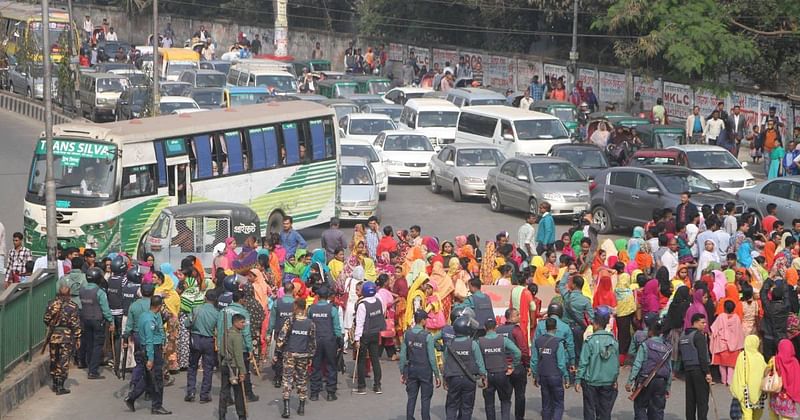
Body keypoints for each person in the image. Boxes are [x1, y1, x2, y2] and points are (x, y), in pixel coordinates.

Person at [125, 295, 171, 415]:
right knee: (157, 380)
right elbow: (149, 340)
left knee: (148, 378)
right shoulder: (149, 320)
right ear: (159, 306)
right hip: (151, 349)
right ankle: (157, 406)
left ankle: (132, 397)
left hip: (152, 347)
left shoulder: (148, 315)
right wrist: (150, 359)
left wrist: (163, 342)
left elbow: (159, 330)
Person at [575, 306, 619, 420]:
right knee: (605, 411)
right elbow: (616, 364)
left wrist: (578, 380)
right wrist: (615, 379)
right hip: (608, 381)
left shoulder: (590, 341)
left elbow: (583, 362)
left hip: (591, 382)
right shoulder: (614, 342)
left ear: (596, 324)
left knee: (589, 409)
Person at [276, 299, 316, 418]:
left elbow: (281, 338)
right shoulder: (310, 323)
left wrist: (278, 350)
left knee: (287, 380)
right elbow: (312, 342)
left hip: (290, 354)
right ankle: (301, 407)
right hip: (303, 355)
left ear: (296, 306)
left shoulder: (290, 321)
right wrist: (311, 356)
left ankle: (287, 409)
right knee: (302, 380)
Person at [218, 287, 259, 402]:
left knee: (227, 374)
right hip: (240, 345)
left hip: (225, 345)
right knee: (243, 370)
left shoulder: (223, 311)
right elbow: (246, 332)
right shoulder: (243, 313)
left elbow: (220, 329)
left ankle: (227, 398)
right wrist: (250, 348)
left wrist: (220, 345)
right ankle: (247, 394)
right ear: (241, 300)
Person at [626, 320, 672, 420]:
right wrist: (668, 387)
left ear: (650, 332)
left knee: (640, 407)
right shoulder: (667, 347)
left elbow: (637, 364)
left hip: (645, 381)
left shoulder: (645, 345)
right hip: (661, 382)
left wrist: (630, 381)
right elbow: (669, 369)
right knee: (657, 410)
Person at [399, 309, 441, 420]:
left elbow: (403, 355)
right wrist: (437, 375)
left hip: (411, 369)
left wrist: (402, 372)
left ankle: (409, 417)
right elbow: (432, 358)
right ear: (422, 321)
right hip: (425, 371)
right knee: (425, 399)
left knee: (411, 397)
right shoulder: (427, 336)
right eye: (426, 319)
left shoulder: (407, 334)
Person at [444, 315, 487, 420]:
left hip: (453, 379)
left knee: (451, 406)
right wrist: (483, 376)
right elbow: (480, 363)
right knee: (467, 407)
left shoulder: (449, 344)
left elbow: (446, 363)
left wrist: (445, 379)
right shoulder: (473, 344)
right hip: (469, 379)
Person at [44, 280, 82, 395]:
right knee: (63, 360)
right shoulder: (72, 306)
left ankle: (55, 383)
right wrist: (78, 337)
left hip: (53, 336)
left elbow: (46, 319)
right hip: (66, 336)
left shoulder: (51, 304)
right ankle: (60, 385)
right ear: (69, 294)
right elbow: (75, 324)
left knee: (54, 359)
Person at [479, 319, 521, 420]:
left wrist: (482, 373)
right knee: (505, 401)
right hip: (502, 374)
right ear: (496, 327)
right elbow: (518, 353)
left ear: (485, 328)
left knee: (489, 404)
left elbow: (477, 359)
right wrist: (513, 366)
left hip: (488, 374)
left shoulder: (479, 341)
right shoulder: (503, 340)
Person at [308, 286, 342, 401]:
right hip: (329, 340)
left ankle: (314, 393)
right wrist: (340, 341)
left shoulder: (311, 309)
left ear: (317, 296)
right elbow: (337, 328)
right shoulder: (332, 309)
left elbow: (309, 324)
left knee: (315, 366)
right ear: (328, 296)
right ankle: (331, 393)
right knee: (331, 366)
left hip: (315, 340)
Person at [531, 317, 569, 420]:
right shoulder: (558, 342)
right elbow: (561, 363)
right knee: (558, 404)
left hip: (543, 375)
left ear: (545, 327)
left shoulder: (538, 341)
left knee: (546, 405)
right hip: (555, 375)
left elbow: (534, 360)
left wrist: (535, 375)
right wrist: (566, 377)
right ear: (555, 328)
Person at [185, 290, 219, 403]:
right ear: (215, 300)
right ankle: (204, 394)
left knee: (192, 366)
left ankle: (190, 392)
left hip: (195, 338)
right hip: (208, 340)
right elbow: (218, 330)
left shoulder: (196, 309)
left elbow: (186, 324)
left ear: (205, 298)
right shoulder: (216, 313)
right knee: (208, 368)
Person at [79, 267, 113, 379]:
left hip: (85, 319)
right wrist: (111, 320)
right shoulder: (100, 292)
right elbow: (105, 309)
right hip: (98, 321)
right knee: (98, 345)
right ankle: (93, 371)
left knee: (89, 343)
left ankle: (89, 364)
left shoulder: (82, 289)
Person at [496, 308, 529, 420]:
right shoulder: (516, 330)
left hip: (502, 366)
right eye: (517, 315)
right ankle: (519, 417)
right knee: (520, 395)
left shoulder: (498, 330)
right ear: (510, 317)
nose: (519, 316)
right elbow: (523, 349)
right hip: (517, 366)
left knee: (505, 397)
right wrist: (527, 364)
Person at [680, 313, 712, 420]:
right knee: (702, 401)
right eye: (702, 322)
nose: (705, 325)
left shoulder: (683, 335)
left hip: (688, 370)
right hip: (699, 370)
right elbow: (702, 356)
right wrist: (707, 372)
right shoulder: (698, 336)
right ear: (695, 322)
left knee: (690, 400)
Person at [355, 281, 385, 394]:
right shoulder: (379, 301)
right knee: (375, 359)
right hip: (375, 333)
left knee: (361, 360)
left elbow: (359, 323)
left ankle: (361, 386)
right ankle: (377, 385)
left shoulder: (362, 305)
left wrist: (357, 339)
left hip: (364, 335)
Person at [730, 335, 768, 420]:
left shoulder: (742, 356)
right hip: (758, 390)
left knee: (747, 411)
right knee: (758, 411)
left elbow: (738, 373)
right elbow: (765, 370)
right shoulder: (759, 357)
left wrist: (737, 388)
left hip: (745, 389)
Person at [219, 312, 247, 420]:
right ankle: (241, 415)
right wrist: (242, 371)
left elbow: (221, 351)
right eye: (242, 322)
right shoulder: (237, 336)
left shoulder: (226, 333)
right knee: (238, 393)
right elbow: (239, 355)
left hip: (225, 365)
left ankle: (222, 415)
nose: (243, 324)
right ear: (235, 323)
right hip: (234, 367)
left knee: (224, 391)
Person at [558, 274, 593, 358]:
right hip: (578, 329)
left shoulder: (566, 296)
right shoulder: (586, 300)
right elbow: (592, 317)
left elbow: (561, 285)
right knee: (578, 351)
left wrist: (567, 273)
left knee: (566, 350)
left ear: (574, 285)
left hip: (565, 327)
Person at [269, 281, 295, 387]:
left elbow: (272, 320)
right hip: (292, 334)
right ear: (293, 290)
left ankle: (278, 379)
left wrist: (269, 332)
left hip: (279, 333)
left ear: (283, 290)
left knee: (279, 355)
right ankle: (289, 379)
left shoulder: (276, 303)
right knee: (291, 356)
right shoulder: (296, 303)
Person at [768, 339, 800, 420]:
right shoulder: (795, 362)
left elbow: (767, 372)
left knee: (773, 414)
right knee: (786, 416)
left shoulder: (774, 360)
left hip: (775, 392)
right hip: (787, 396)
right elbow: (797, 380)